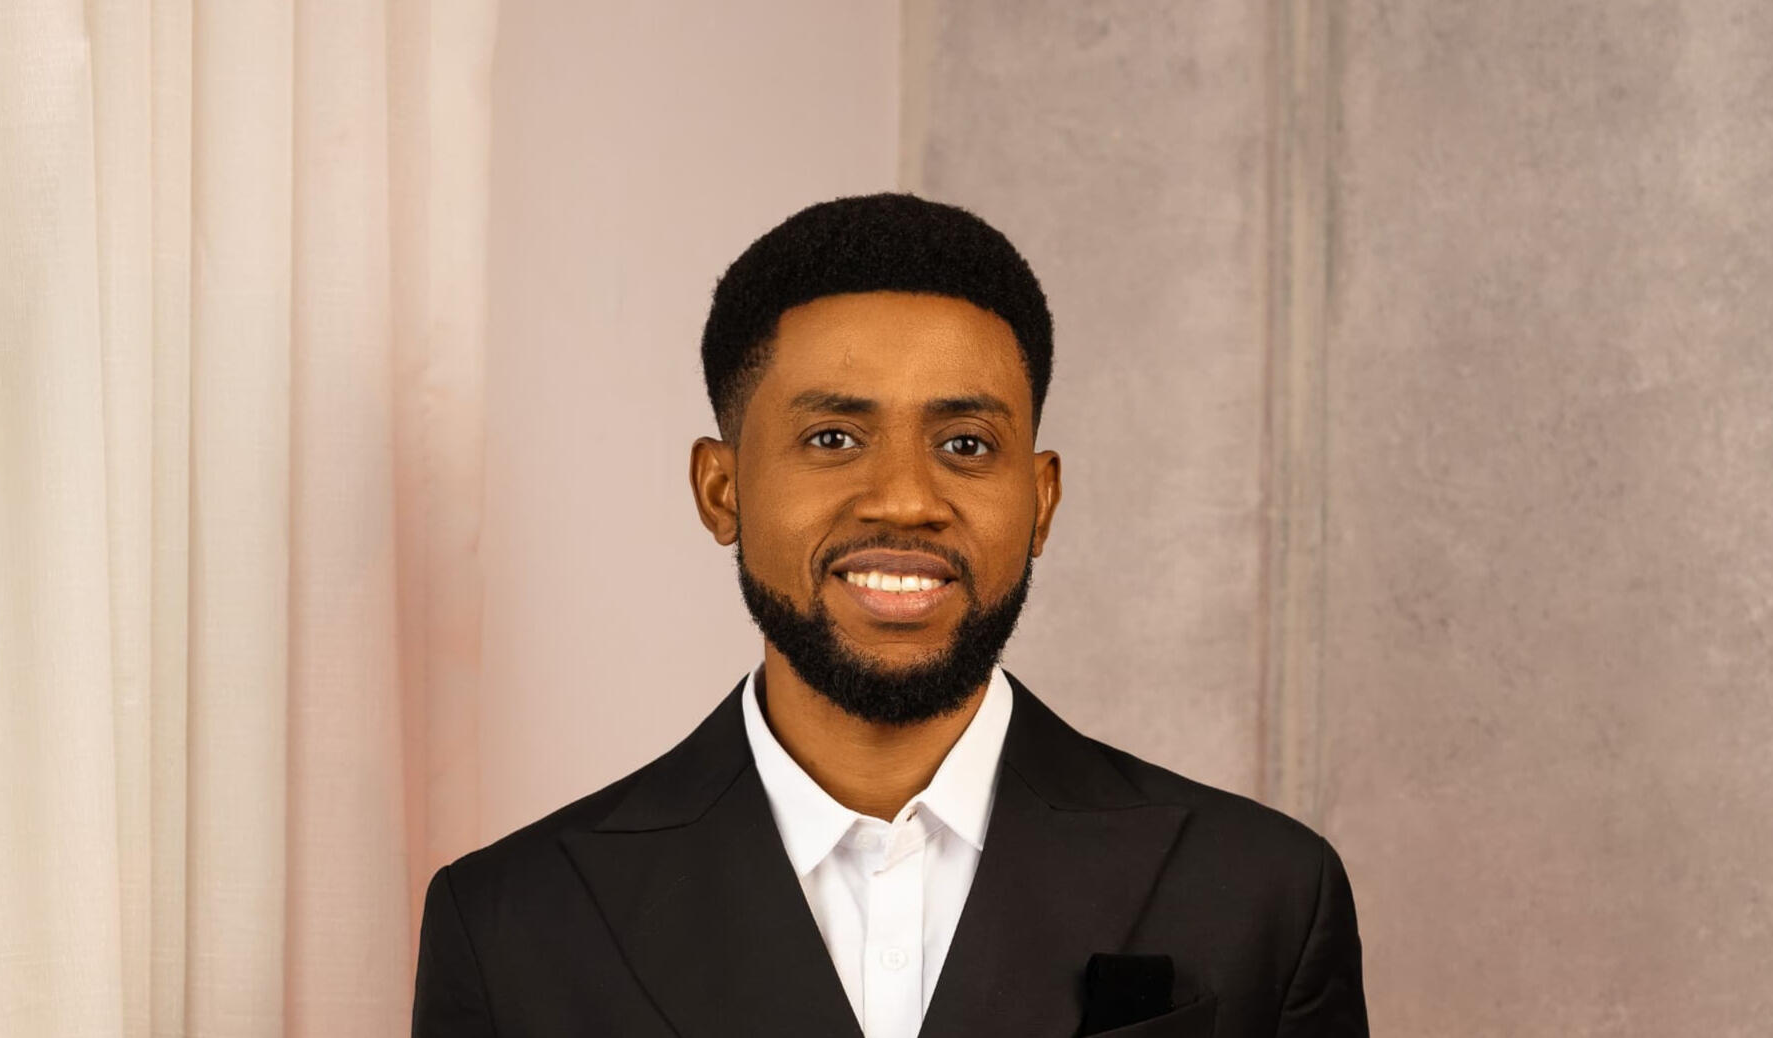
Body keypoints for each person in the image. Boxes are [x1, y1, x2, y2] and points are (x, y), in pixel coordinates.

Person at [412, 194, 1367, 1037]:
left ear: (1041, 501)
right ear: (720, 489)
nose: (905, 500)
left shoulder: (1266, 895)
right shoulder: (512, 923)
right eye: (833, 437)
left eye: (965, 444)